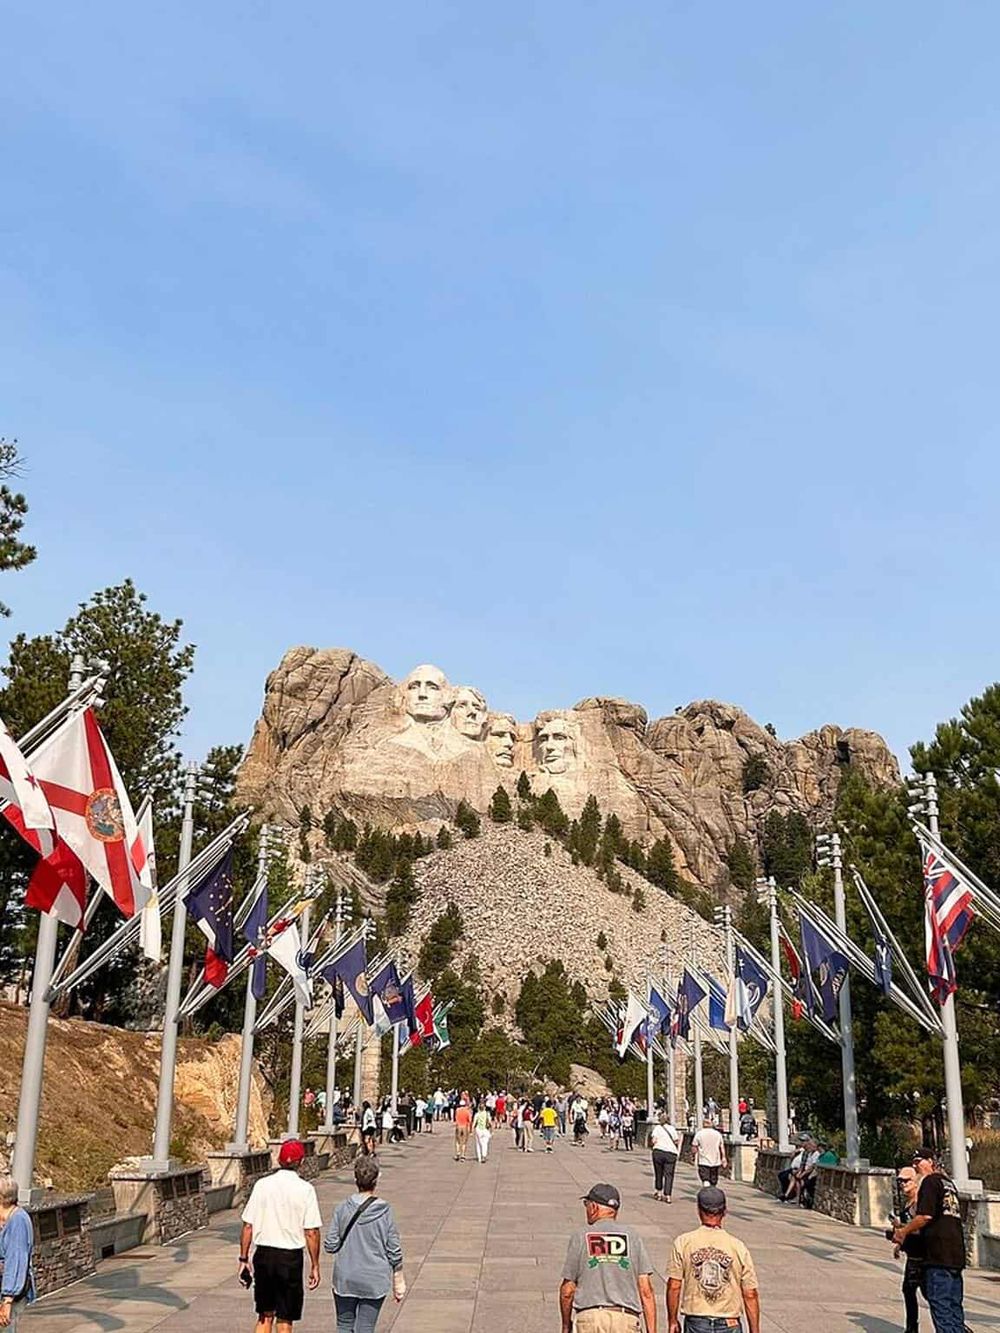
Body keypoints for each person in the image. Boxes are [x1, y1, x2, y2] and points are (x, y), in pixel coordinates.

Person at [240, 1140, 322, 1333]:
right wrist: (315, 1265)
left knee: (264, 1315)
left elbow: (248, 1226)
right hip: (290, 1258)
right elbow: (311, 1232)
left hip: (264, 1255)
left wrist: (243, 1259)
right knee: (285, 1317)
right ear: (301, 1162)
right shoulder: (306, 1189)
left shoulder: (262, 1185)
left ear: (279, 1159)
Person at [560, 1183, 657, 1333]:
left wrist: (566, 1325)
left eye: (586, 1204)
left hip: (589, 1320)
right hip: (625, 1320)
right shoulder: (632, 1237)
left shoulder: (581, 1236)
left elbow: (568, 1290)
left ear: (594, 1207)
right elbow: (646, 1290)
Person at [325, 1153, 405, 1332]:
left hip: (346, 1276)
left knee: (344, 1325)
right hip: (374, 1278)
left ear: (355, 1178)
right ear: (376, 1180)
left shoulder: (342, 1208)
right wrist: (398, 1278)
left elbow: (330, 1245)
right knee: (365, 1327)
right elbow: (394, 1249)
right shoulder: (385, 1211)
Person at [667, 1186, 761, 1333]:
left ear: (698, 1210)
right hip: (729, 1322)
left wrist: (672, 1320)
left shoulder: (683, 1242)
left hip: (697, 1320)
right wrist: (755, 1330)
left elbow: (674, 1285)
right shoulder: (738, 1247)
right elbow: (750, 1294)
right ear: (725, 1212)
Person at [893, 1149, 967, 1333]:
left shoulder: (929, 1182)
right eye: (913, 1161)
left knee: (941, 1308)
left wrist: (903, 1231)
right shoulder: (948, 1183)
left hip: (938, 1256)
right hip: (955, 1255)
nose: (915, 1165)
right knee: (953, 1307)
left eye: (918, 1161)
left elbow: (924, 1216)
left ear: (931, 1162)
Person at [890, 1165, 925, 1333]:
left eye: (906, 1180)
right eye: (900, 1180)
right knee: (908, 1291)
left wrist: (901, 1227)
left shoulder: (919, 1203)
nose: (903, 1183)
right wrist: (899, 1244)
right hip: (912, 1255)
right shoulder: (908, 1202)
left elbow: (920, 1227)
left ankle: (955, 1326)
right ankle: (912, 1328)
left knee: (931, 1296)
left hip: (923, 1256)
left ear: (916, 1182)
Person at [0, 1176, 34, 1332]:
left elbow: (16, 1261)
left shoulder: (17, 1222)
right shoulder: (10, 1219)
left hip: (10, 1294)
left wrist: (7, 1300)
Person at [650, 1117, 681, 1203]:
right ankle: (668, 1195)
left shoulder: (657, 1128)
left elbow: (653, 1141)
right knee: (669, 1175)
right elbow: (676, 1141)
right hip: (670, 1153)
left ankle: (659, 1192)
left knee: (658, 1173)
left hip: (658, 1151)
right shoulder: (672, 1129)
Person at [691, 1118, 727, 1187]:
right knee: (713, 1180)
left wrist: (693, 1155)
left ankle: (707, 1192)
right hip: (715, 1161)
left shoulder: (699, 1134)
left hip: (703, 1161)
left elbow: (694, 1147)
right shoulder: (717, 1134)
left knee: (705, 1179)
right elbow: (721, 1147)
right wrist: (723, 1158)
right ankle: (712, 1192)